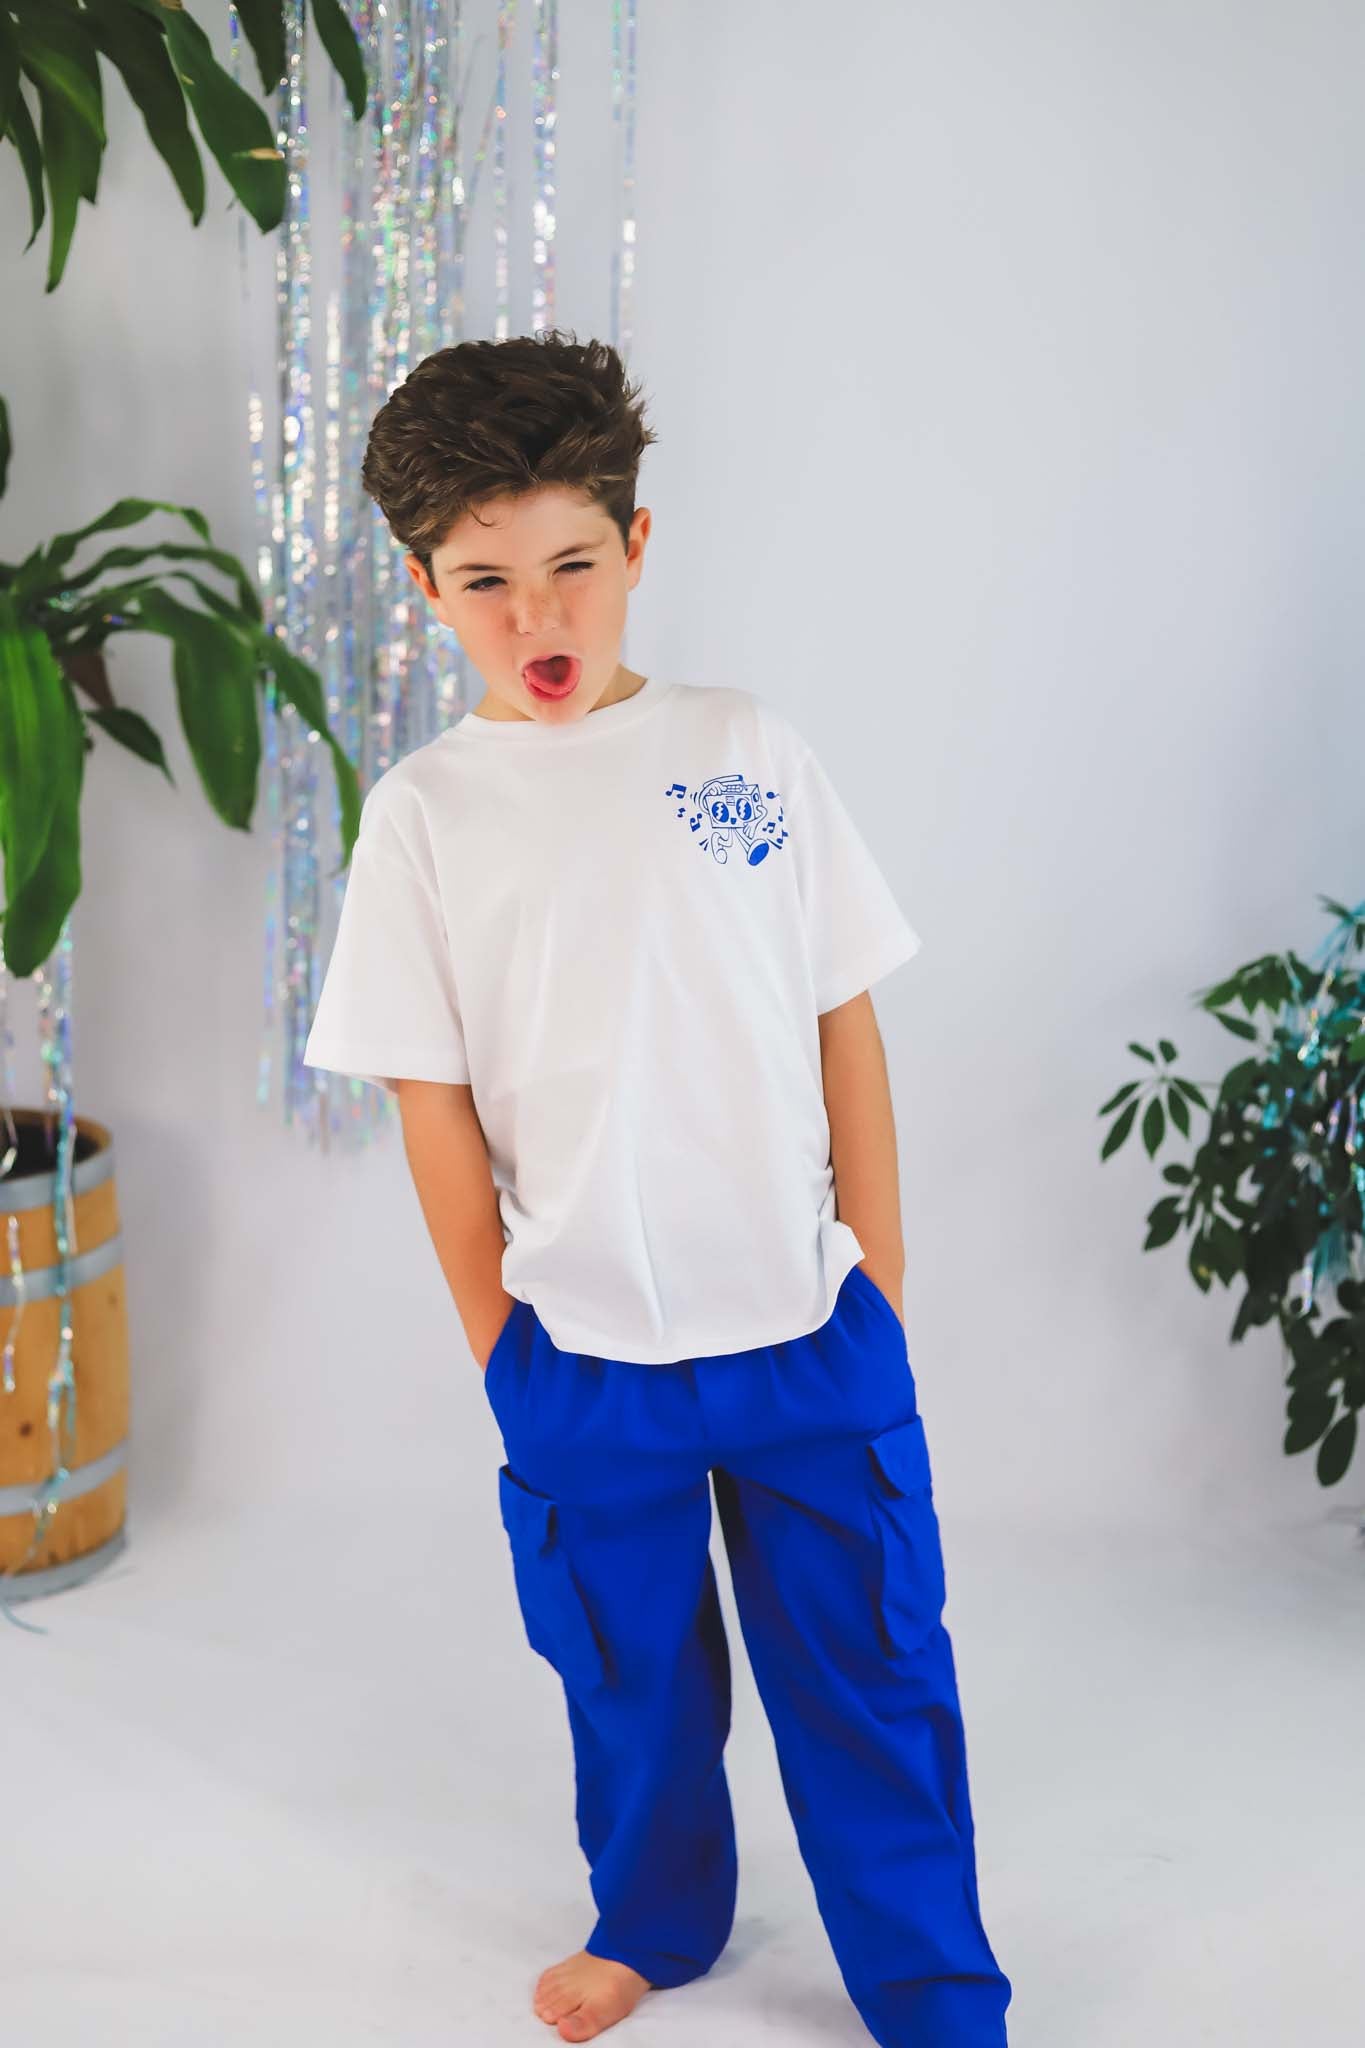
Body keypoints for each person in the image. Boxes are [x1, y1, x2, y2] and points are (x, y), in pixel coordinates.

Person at [302, 330, 1012, 2047]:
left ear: (634, 544)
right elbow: (430, 1103)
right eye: (485, 582)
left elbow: (842, 1014)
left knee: (871, 1667)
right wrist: (501, 1344)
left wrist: (877, 1277)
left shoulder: (742, 746)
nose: (535, 617)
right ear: (426, 588)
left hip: (804, 1328)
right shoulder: (426, 816)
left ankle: (929, 1983)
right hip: (579, 1353)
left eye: (570, 564)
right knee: (624, 1679)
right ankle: (655, 1920)